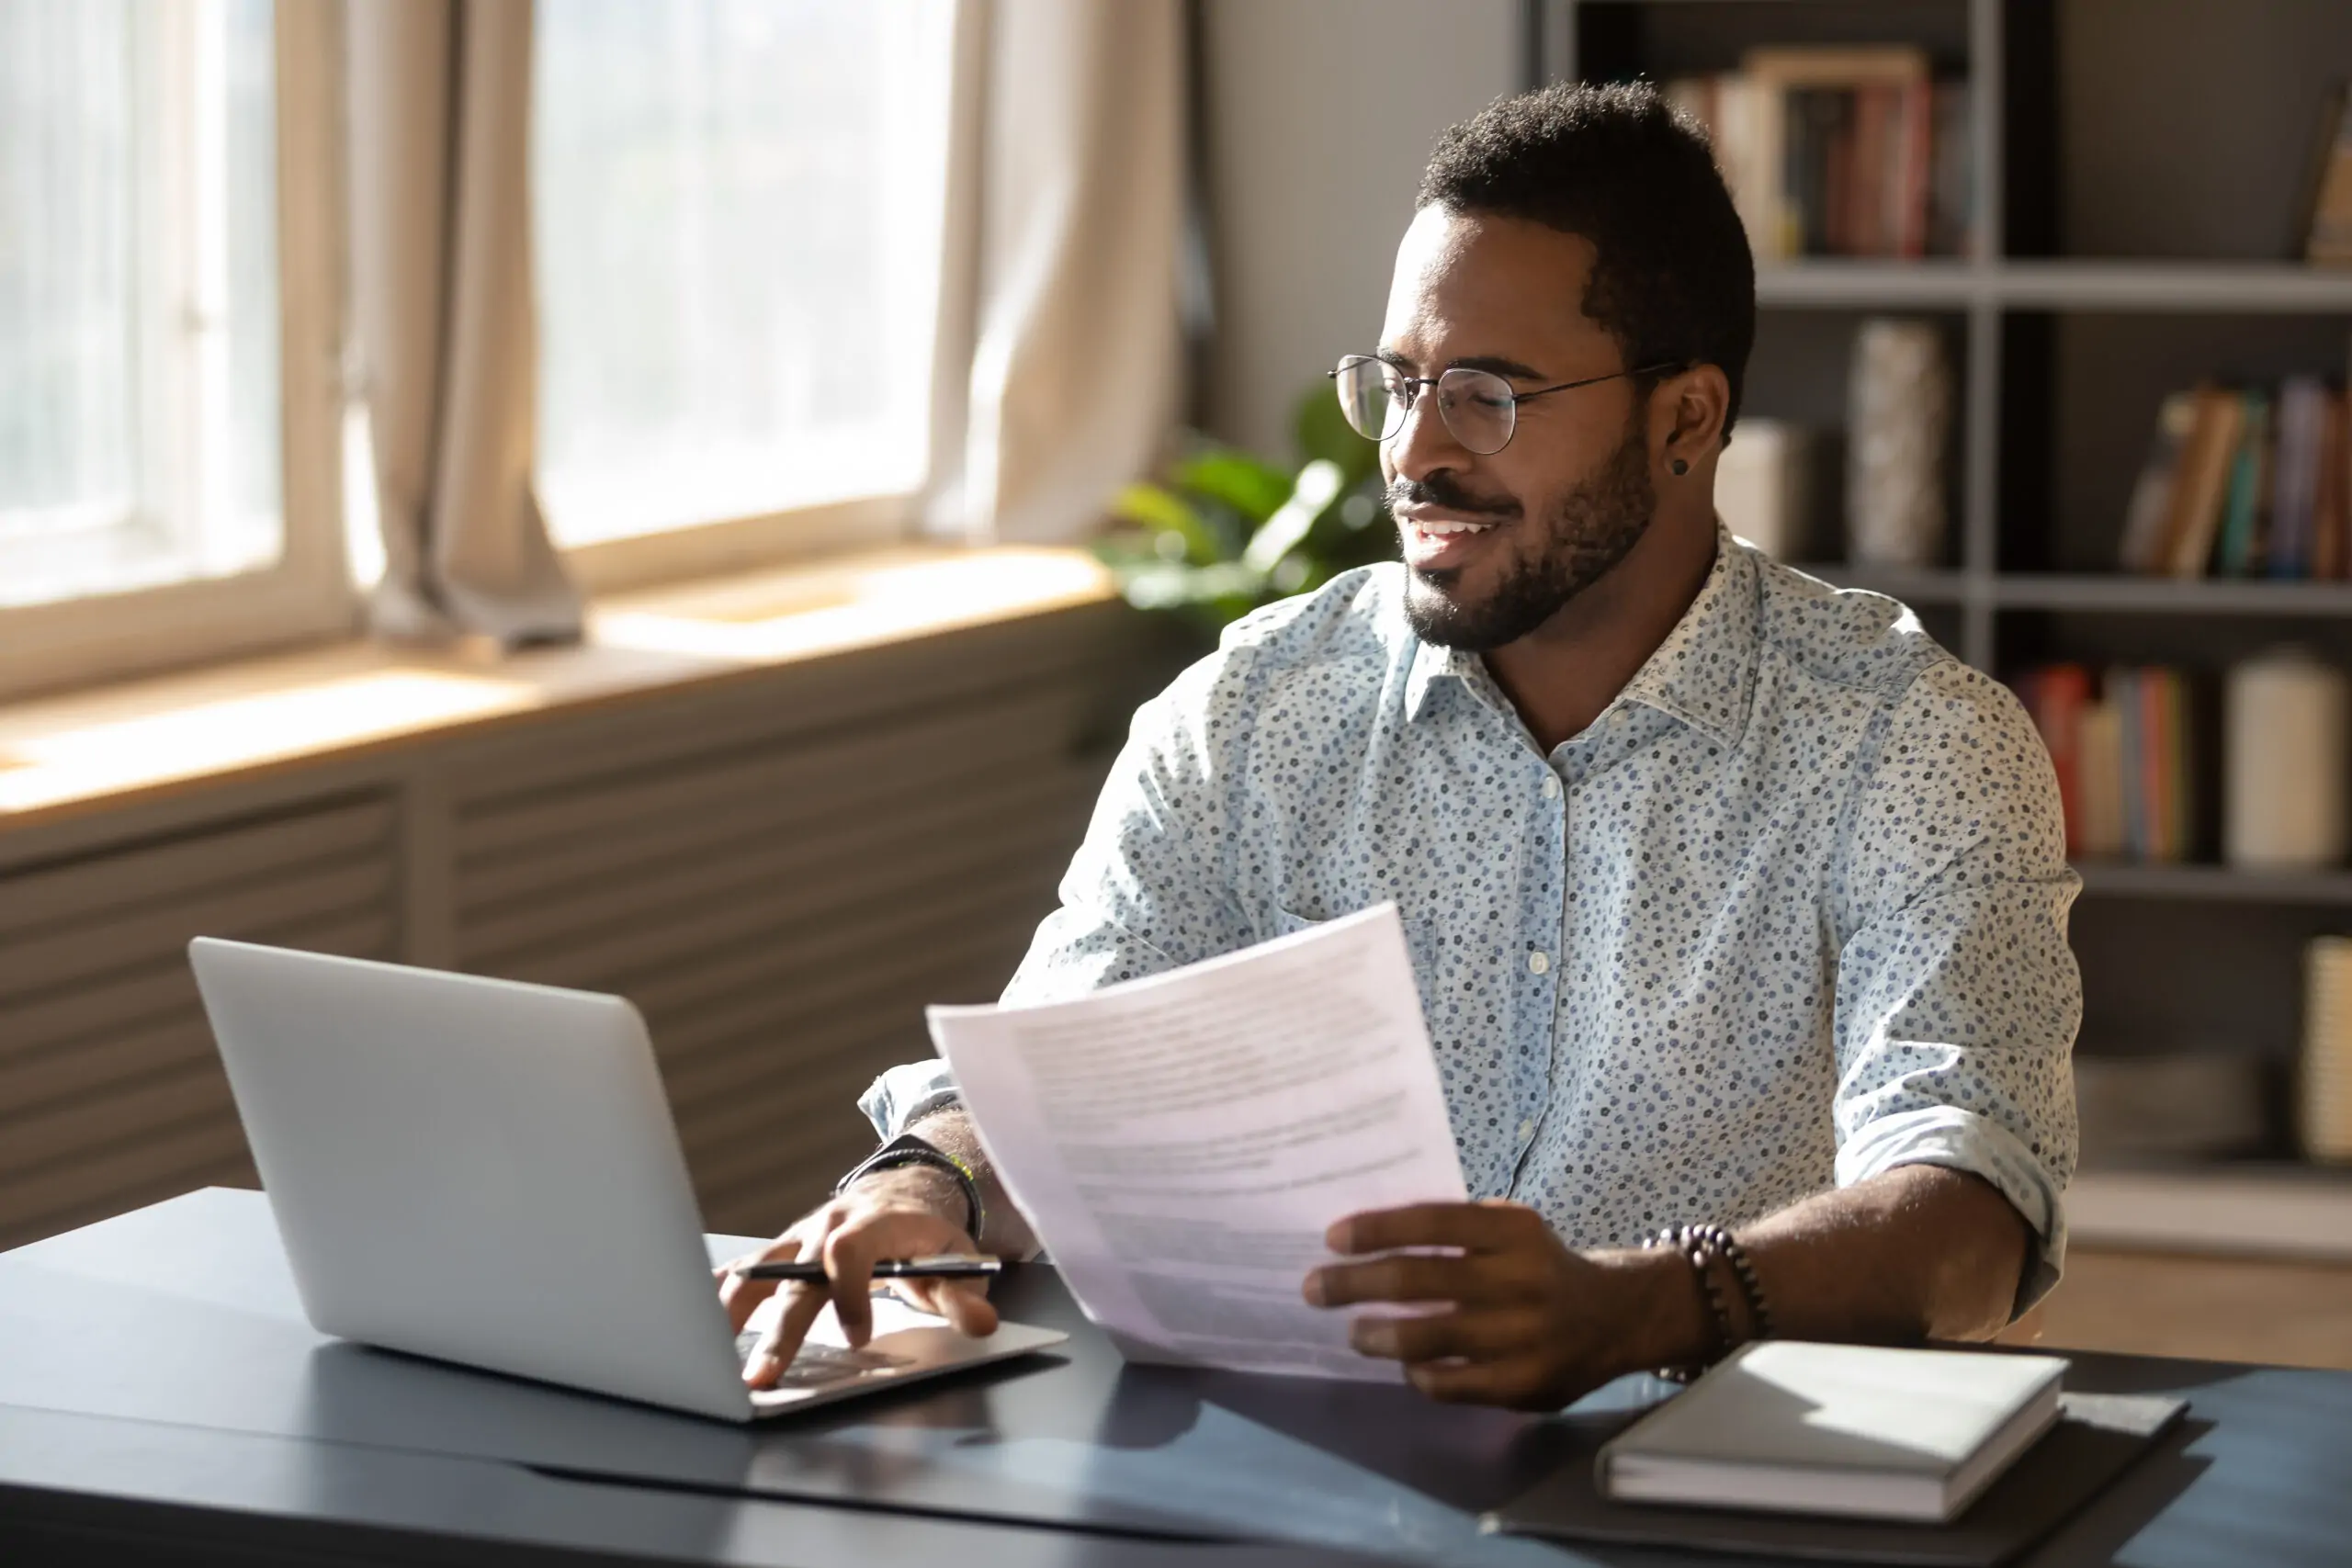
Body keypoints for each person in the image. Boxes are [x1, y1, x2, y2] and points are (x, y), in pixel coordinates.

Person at [719, 81, 2080, 1411]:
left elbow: (1974, 1205)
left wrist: (1640, 1309)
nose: (1416, 452)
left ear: (1684, 419)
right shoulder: (1258, 709)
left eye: (1489, 394)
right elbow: (1055, 1073)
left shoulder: (1912, 742)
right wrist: (924, 1178)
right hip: (1305, 1468)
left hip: (1711, 1479)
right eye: (1402, 380)